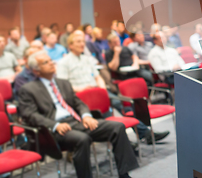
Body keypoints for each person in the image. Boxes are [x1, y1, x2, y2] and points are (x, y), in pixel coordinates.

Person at [18, 50, 139, 178]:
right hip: (55, 130)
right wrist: (55, 125)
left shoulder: (63, 83)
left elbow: (79, 104)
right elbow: (30, 115)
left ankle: (124, 174)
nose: (51, 63)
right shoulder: (28, 89)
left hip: (76, 122)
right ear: (36, 70)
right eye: (46, 62)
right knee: (82, 139)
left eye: (51, 60)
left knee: (117, 127)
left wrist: (86, 116)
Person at [57, 33, 169, 144]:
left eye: (83, 41)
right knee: (107, 114)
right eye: (78, 42)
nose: (82, 44)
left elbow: (98, 77)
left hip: (97, 92)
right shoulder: (63, 63)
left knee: (123, 104)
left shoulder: (87, 59)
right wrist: (82, 89)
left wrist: (102, 89)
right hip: (80, 96)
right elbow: (64, 87)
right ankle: (124, 141)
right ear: (70, 45)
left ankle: (144, 133)